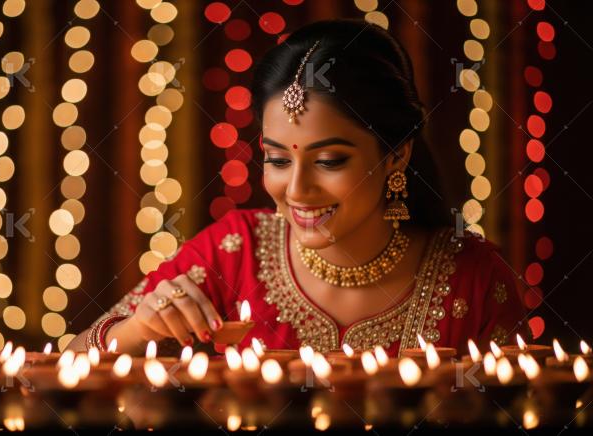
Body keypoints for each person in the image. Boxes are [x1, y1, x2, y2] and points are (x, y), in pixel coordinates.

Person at [67, 19, 530, 357]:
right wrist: (134, 332)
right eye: (278, 159)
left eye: (329, 161)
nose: (297, 189)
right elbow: (66, 367)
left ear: (396, 154)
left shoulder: (474, 279)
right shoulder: (234, 252)